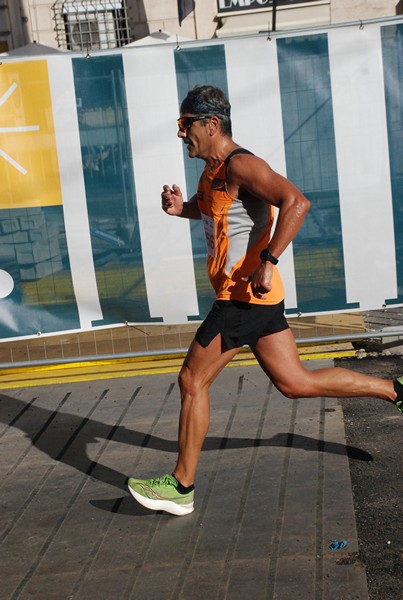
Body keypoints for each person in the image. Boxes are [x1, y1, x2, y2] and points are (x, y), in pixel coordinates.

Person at [128, 85, 403, 516]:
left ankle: (181, 486)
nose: (182, 134)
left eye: (186, 125)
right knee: (296, 383)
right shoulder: (212, 171)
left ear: (211, 124)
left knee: (191, 381)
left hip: (242, 299)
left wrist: (269, 260)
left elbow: (297, 201)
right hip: (258, 301)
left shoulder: (243, 165)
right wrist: (182, 208)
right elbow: (213, 209)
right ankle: (394, 390)